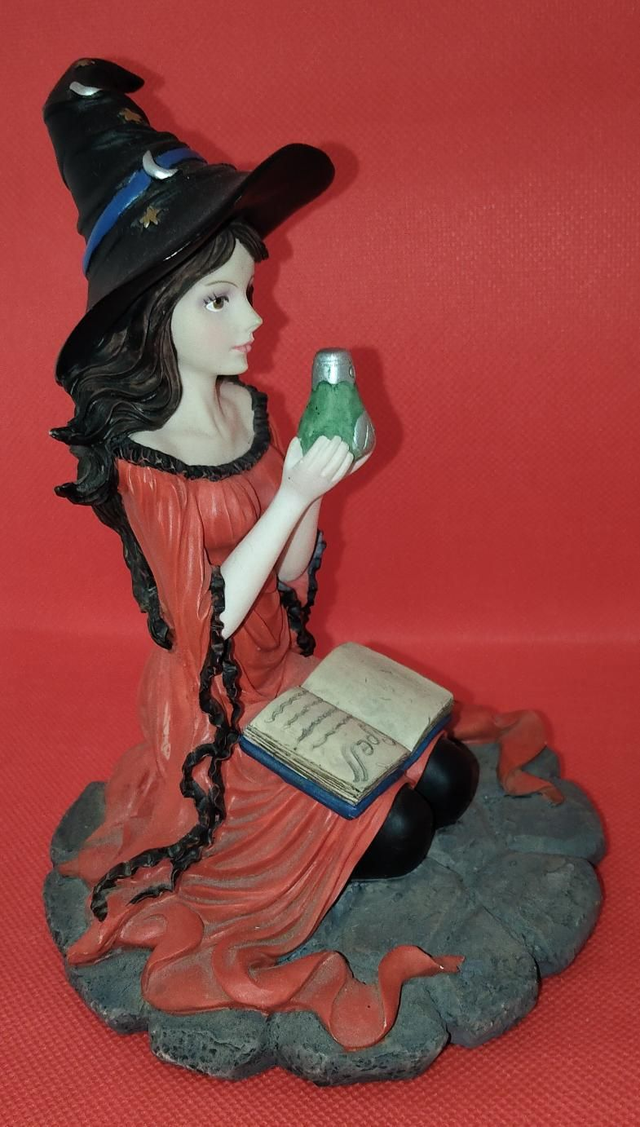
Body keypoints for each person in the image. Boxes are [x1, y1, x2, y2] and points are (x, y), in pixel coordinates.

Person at [45, 59, 561, 1051]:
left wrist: (316, 489)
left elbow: (286, 578)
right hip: (214, 699)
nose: (256, 320)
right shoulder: (145, 460)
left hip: (283, 668)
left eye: (247, 292)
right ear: (156, 315)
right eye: (221, 302)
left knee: (450, 781)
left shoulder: (248, 409)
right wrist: (288, 494)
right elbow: (203, 618)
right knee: (400, 834)